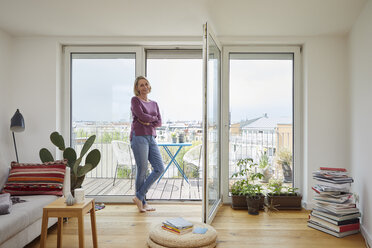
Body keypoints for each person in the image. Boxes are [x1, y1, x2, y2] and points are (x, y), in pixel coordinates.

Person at [130, 76, 164, 212]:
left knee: (159, 168)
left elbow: (159, 122)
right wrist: (151, 119)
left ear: (149, 86)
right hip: (138, 136)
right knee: (142, 170)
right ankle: (142, 203)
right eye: (141, 85)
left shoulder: (154, 103)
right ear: (137, 88)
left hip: (151, 137)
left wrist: (148, 120)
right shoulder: (135, 100)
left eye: (146, 84)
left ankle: (138, 196)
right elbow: (141, 116)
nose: (144, 87)